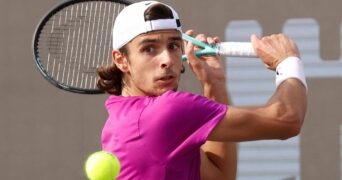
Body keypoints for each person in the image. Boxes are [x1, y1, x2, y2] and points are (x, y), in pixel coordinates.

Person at [96, 1, 307, 179]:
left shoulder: (118, 121)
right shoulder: (166, 111)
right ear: (121, 60)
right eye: (149, 48)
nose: (167, 60)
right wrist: (287, 61)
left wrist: (214, 84)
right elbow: (287, 120)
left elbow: (220, 176)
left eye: (173, 45)